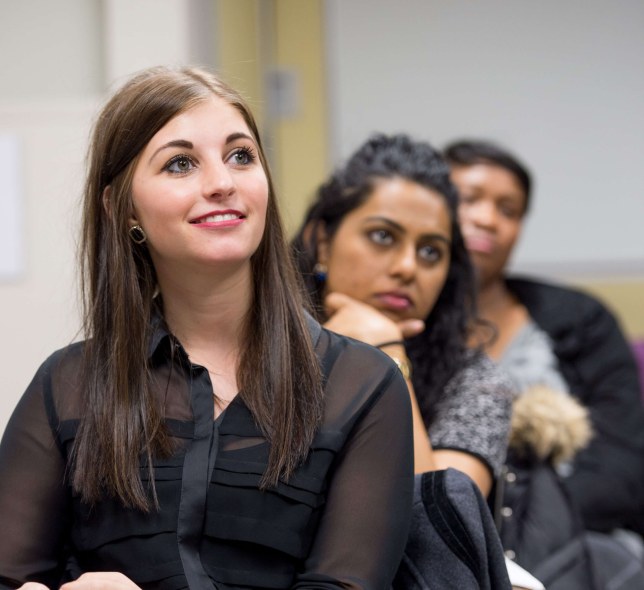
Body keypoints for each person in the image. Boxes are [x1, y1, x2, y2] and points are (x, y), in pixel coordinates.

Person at [0, 66, 415, 590]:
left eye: (241, 156)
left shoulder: (363, 385)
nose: (222, 183)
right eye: (180, 164)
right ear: (121, 207)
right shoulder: (67, 385)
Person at [445, 139, 644, 569]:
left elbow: (622, 470)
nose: (488, 219)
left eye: (508, 209)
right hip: (451, 548)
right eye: (469, 200)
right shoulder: (402, 327)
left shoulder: (582, 319)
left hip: (582, 541)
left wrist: (525, 533)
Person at [291, 133, 513, 497]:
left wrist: (389, 357)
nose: (408, 267)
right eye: (382, 236)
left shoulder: (475, 382)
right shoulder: (257, 342)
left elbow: (442, 535)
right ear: (323, 241)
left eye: (430, 252)